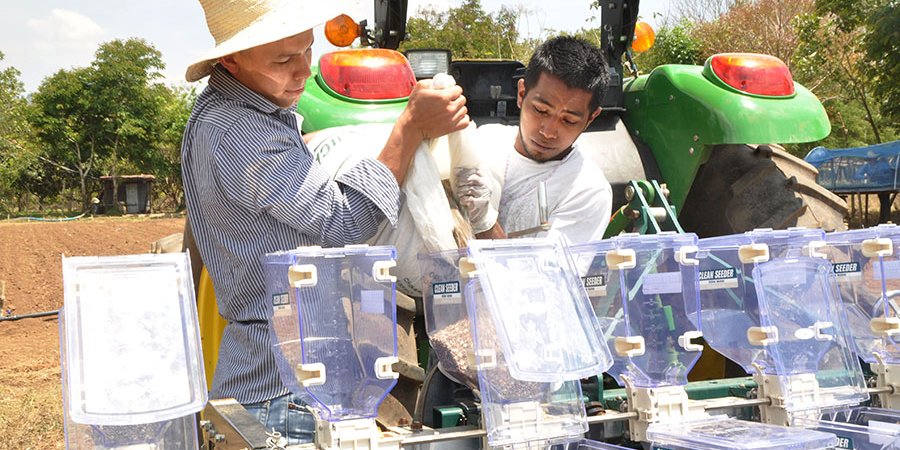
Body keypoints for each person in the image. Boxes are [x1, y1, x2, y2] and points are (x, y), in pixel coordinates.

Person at [180, 0, 468, 444]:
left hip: (278, 382)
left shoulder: (237, 115)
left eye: (306, 50)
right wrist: (407, 129)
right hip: (285, 392)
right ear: (231, 59)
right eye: (283, 60)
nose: (302, 71)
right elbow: (344, 223)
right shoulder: (241, 132)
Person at [456, 36, 613, 244]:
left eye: (568, 120)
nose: (548, 131)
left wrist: (484, 221)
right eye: (540, 110)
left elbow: (543, 276)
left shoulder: (587, 189)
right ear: (522, 94)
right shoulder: (484, 142)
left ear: (590, 118)